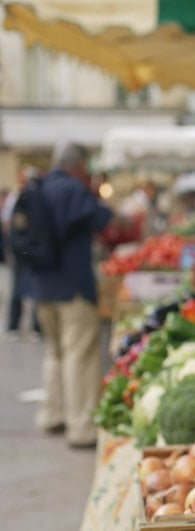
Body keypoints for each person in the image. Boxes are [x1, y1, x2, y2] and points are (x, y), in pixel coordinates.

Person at [28, 142, 113, 449]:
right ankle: (81, 427)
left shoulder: (41, 187)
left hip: (42, 286)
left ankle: (52, 413)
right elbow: (105, 220)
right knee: (80, 354)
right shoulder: (72, 190)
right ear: (79, 166)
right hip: (73, 287)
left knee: (55, 352)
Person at [0, 165, 42, 340]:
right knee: (26, 288)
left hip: (25, 249)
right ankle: (28, 327)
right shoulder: (25, 198)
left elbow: (11, 223)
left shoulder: (25, 198)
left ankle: (24, 326)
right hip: (28, 249)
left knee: (23, 287)